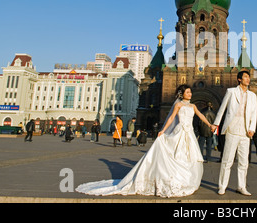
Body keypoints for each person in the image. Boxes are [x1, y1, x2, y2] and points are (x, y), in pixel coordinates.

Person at [76, 85, 215, 198]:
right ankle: (174, 179)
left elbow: (201, 116)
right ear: (182, 94)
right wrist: (162, 130)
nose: (190, 94)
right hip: (179, 132)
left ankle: (186, 180)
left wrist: (210, 125)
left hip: (188, 133)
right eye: (188, 92)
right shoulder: (178, 105)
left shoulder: (193, 106)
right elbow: (172, 118)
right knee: (176, 155)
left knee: (189, 157)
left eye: (191, 92)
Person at [212, 71, 257, 196]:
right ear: (239, 79)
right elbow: (222, 108)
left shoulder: (253, 96)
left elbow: (254, 114)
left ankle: (241, 186)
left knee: (244, 161)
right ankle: (222, 186)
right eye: (245, 77)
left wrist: (252, 128)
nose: (248, 79)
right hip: (232, 127)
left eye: (249, 77)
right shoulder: (231, 91)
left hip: (245, 130)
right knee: (227, 160)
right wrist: (216, 123)